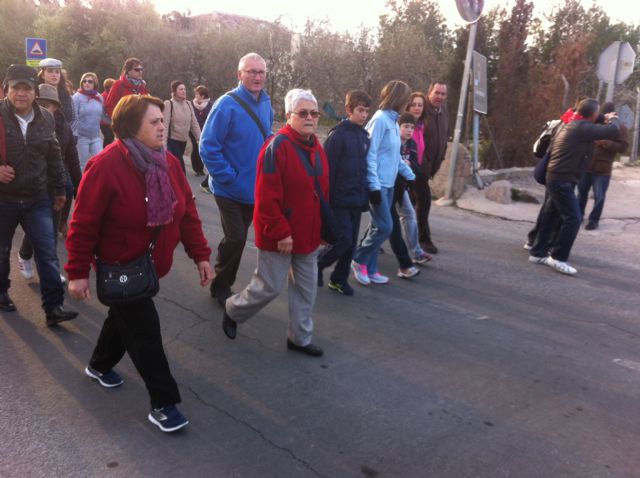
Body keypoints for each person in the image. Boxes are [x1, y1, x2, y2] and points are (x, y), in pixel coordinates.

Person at [65, 94, 213, 433]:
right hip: (119, 265)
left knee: (123, 318)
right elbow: (83, 223)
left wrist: (201, 255)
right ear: (132, 127)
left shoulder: (169, 163)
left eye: (163, 120)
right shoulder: (106, 165)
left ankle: (100, 366)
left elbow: (187, 213)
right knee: (145, 331)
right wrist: (77, 273)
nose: (162, 126)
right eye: (154, 122)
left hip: (147, 266)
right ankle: (164, 403)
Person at [221, 89, 326, 357]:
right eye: (303, 113)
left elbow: (322, 194)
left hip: (309, 235)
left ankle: (299, 338)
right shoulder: (275, 147)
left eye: (314, 113)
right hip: (280, 236)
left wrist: (323, 229)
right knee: (268, 287)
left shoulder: (317, 147)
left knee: (306, 291)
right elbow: (266, 197)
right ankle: (233, 310)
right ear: (288, 116)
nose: (310, 118)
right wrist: (281, 232)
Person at [0, 64, 78, 324]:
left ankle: (53, 308)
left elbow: (54, 154)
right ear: (6, 91)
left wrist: (59, 189)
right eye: (16, 88)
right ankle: (1, 292)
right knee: (1, 251)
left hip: (37, 198)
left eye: (27, 88)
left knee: (47, 252)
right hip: (4, 198)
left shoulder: (45, 116)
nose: (21, 94)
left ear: (35, 92)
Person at [200, 52, 273, 307]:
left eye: (261, 72)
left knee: (236, 238)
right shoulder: (226, 104)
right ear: (239, 74)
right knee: (238, 237)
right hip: (228, 189)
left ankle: (222, 272)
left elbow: (265, 140)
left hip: (254, 188)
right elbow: (208, 146)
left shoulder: (266, 103)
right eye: (251, 71)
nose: (257, 76)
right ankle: (221, 286)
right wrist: (228, 177)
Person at [529, 98, 620, 275]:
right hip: (562, 179)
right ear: (592, 114)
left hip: (557, 176)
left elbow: (593, 118)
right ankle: (558, 258)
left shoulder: (572, 122)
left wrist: (602, 116)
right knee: (573, 218)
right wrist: (612, 117)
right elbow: (613, 130)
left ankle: (537, 252)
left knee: (550, 214)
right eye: (597, 113)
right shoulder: (582, 128)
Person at [351, 80, 415, 286]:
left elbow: (393, 155)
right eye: (407, 98)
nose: (409, 102)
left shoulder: (393, 122)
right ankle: (359, 259)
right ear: (398, 98)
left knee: (377, 227)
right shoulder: (380, 120)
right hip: (378, 184)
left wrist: (409, 174)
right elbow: (370, 153)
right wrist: (374, 185)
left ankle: (370, 268)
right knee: (386, 227)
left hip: (389, 184)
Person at [17, 84, 82, 285]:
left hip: (55, 186)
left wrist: (80, 186)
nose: (44, 108)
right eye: (40, 103)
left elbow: (72, 159)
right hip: (29, 186)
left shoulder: (64, 129)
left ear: (56, 107)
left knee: (50, 229)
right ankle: (24, 255)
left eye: (48, 105)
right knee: (35, 227)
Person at [317, 90, 371, 296]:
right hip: (338, 199)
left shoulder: (364, 136)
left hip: (356, 199)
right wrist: (326, 202)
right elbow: (327, 170)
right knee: (343, 240)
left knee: (351, 245)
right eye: (360, 110)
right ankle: (317, 264)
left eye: (367, 111)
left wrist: (366, 193)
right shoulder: (338, 135)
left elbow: (363, 168)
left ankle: (339, 279)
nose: (364, 115)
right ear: (349, 110)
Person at [577, 102, 629, 230]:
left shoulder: (620, 128)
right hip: (586, 165)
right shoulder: (593, 124)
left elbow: (623, 147)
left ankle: (594, 220)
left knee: (599, 196)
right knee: (581, 193)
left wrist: (605, 143)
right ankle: (578, 216)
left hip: (602, 168)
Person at [417, 81, 450, 254]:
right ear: (429, 92)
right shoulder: (421, 110)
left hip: (430, 167)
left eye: (443, 94)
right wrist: (420, 163)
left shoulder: (443, 111)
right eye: (437, 93)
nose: (440, 97)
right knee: (424, 202)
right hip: (418, 167)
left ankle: (377, 235)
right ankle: (424, 240)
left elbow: (445, 135)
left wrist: (441, 156)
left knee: (400, 204)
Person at [389, 113, 423, 279]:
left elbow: (417, 167)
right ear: (398, 126)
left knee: (409, 215)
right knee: (383, 222)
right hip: (389, 187)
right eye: (406, 126)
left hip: (402, 188)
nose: (409, 130)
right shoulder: (393, 142)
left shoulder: (412, 145)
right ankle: (364, 250)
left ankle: (416, 252)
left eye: (412, 127)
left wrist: (411, 165)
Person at [401, 93, 431, 264]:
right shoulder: (402, 126)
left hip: (414, 173)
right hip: (400, 176)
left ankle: (417, 249)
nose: (417, 108)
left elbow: (418, 151)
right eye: (414, 104)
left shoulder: (420, 126)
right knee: (403, 212)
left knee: (408, 211)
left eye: (420, 105)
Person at [163, 80, 201, 172]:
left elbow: (194, 123)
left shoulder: (188, 104)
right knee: (180, 167)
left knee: (175, 167)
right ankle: (182, 184)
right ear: (174, 91)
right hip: (172, 141)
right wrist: (163, 145)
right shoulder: (169, 104)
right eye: (180, 89)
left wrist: (200, 139)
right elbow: (165, 124)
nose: (184, 91)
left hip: (183, 141)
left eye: (184, 89)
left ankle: (174, 184)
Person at [72, 72, 106, 170]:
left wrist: (114, 122)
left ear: (95, 83)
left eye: (90, 81)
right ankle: (81, 184)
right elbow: (74, 117)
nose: (86, 83)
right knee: (83, 165)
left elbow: (102, 116)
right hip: (81, 137)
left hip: (96, 136)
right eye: (84, 81)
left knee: (100, 162)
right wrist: (74, 135)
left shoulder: (99, 97)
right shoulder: (76, 97)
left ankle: (96, 183)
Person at [37, 58, 74, 125]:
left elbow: (69, 117)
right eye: (50, 71)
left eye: (57, 72)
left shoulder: (65, 94)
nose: (54, 75)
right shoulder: (36, 93)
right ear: (42, 75)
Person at [190, 85, 213, 177]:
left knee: (203, 149)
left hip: (205, 131)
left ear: (203, 96)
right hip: (194, 130)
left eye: (197, 94)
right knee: (196, 148)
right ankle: (197, 169)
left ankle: (203, 167)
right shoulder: (191, 104)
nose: (195, 95)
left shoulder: (210, 105)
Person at [100, 78, 115, 146]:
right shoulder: (103, 96)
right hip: (104, 122)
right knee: (108, 137)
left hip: (111, 121)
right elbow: (102, 110)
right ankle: (104, 151)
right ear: (109, 87)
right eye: (113, 85)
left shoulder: (112, 95)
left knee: (111, 138)